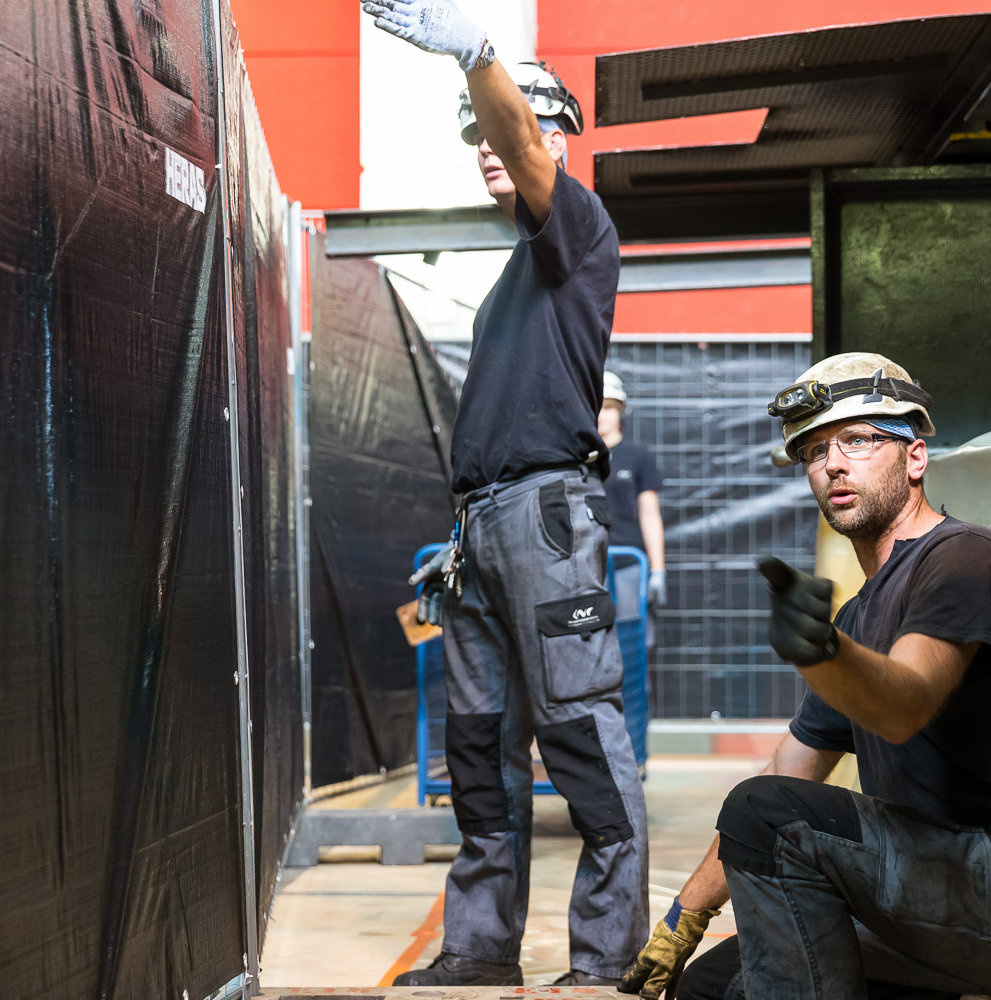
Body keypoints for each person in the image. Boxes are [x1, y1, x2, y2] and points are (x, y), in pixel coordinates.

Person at [619, 352, 991, 1000]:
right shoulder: (856, 618)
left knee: (766, 817)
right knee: (715, 986)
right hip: (938, 888)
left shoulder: (964, 558)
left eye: (859, 440)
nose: (833, 464)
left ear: (915, 457)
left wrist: (824, 654)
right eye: (816, 450)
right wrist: (683, 920)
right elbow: (785, 773)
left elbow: (904, 703)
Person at [364, 0, 648, 987]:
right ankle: (483, 949)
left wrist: (480, 54)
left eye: (499, 127)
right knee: (480, 748)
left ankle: (605, 961)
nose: (484, 146)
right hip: (480, 531)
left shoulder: (576, 230)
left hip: (543, 518)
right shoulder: (511, 282)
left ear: (550, 129)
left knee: (576, 730)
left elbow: (524, 146)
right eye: (472, 133)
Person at [600, 371, 666, 632]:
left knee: (630, 640)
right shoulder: (577, 459)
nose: (601, 414)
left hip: (628, 564)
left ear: (620, 411)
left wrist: (658, 571)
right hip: (584, 566)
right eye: (596, 406)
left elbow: (650, 515)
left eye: (608, 407)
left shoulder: (638, 457)